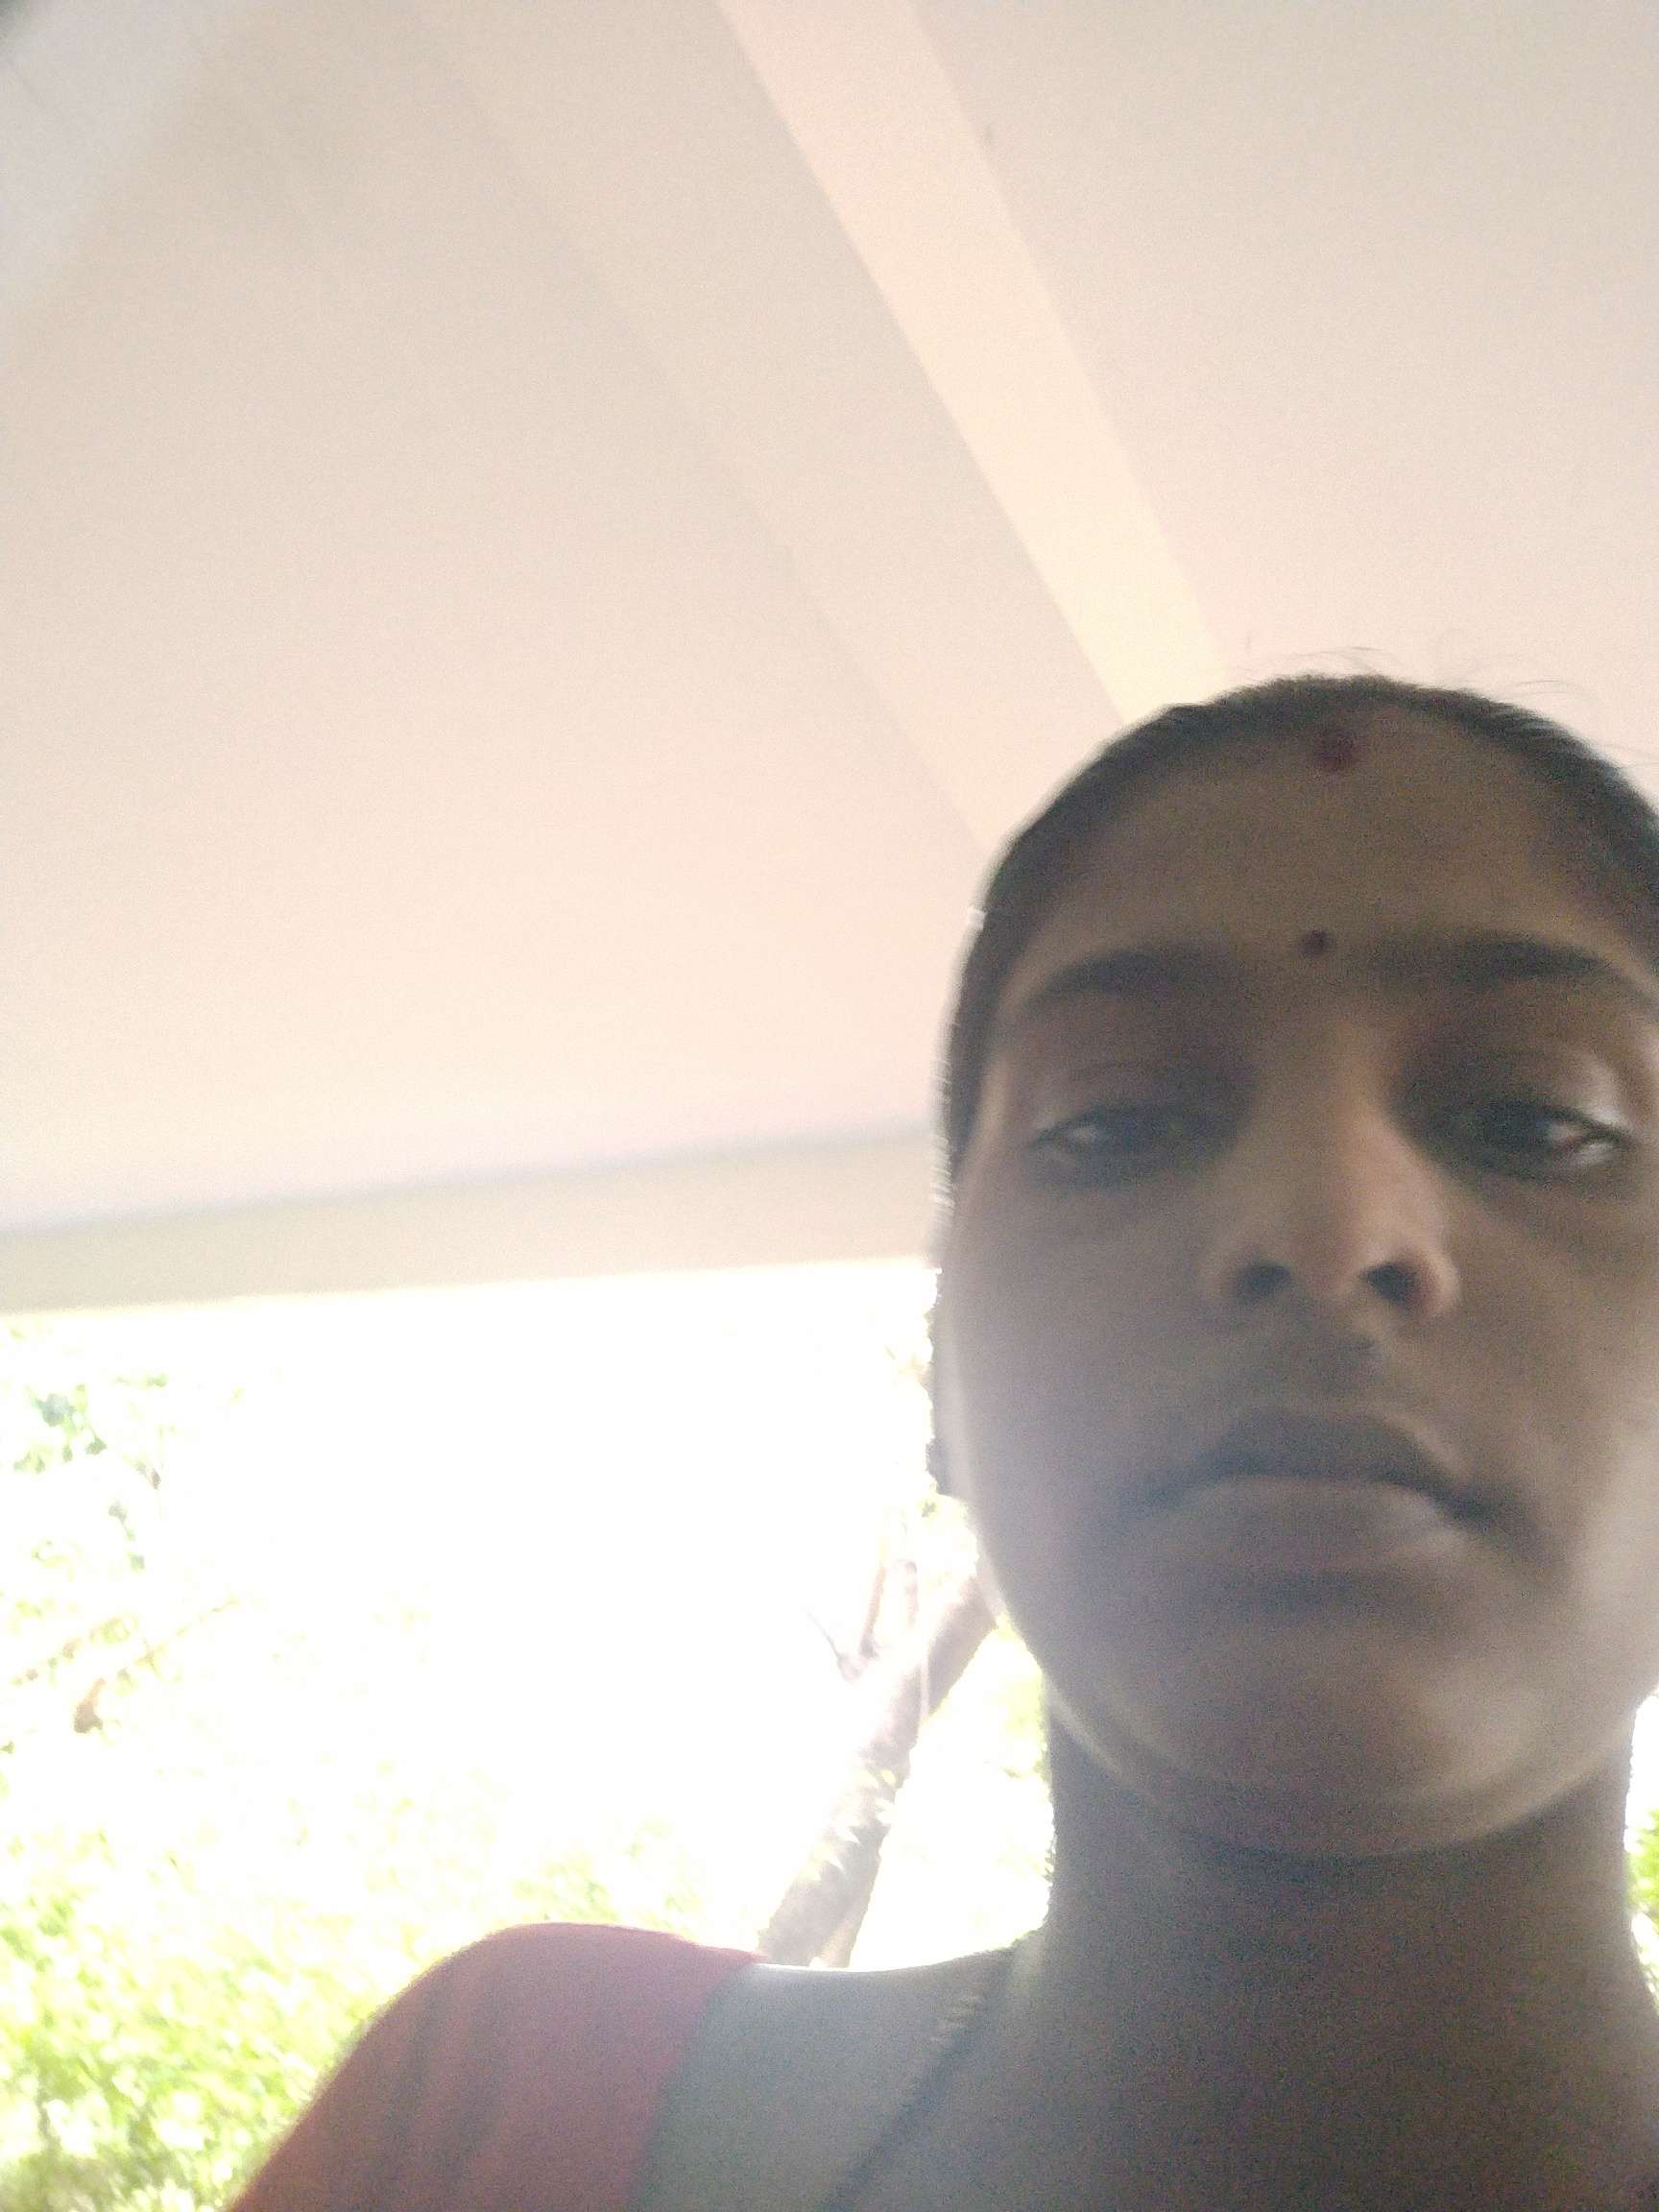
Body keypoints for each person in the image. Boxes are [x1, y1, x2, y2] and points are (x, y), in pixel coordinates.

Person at [231, 671, 1659, 2210]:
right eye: (1114, 1121)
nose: (1325, 1227)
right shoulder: (494, 2118)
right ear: (941, 1382)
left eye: (1541, 1118)